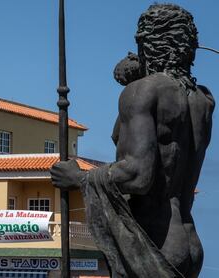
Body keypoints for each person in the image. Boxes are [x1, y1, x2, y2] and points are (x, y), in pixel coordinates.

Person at [51, 4, 215, 278]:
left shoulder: (141, 92)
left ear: (145, 44)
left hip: (154, 242)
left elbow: (137, 175)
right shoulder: (204, 100)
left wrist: (79, 178)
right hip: (190, 242)